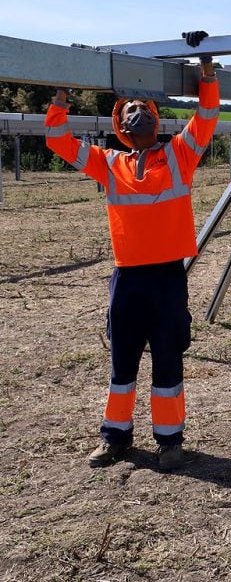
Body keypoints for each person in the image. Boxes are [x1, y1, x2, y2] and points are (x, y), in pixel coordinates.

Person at [44, 35, 219, 470]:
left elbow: (207, 116)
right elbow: (57, 141)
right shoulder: (108, 162)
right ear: (121, 126)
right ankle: (115, 438)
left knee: (166, 355)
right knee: (122, 361)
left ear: (155, 119)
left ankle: (170, 441)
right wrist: (61, 100)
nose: (136, 113)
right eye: (128, 111)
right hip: (127, 277)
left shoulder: (180, 153)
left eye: (143, 109)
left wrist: (207, 70)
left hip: (165, 276)